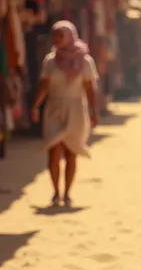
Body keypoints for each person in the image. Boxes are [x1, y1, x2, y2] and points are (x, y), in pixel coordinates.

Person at [31, 21, 99, 207]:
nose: (56, 40)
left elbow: (89, 88)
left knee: (71, 153)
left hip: (76, 110)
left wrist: (94, 111)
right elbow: (44, 86)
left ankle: (67, 193)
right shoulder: (50, 60)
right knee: (53, 151)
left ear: (70, 35)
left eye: (60, 35)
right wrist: (35, 106)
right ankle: (55, 191)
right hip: (54, 109)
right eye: (54, 35)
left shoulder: (85, 61)